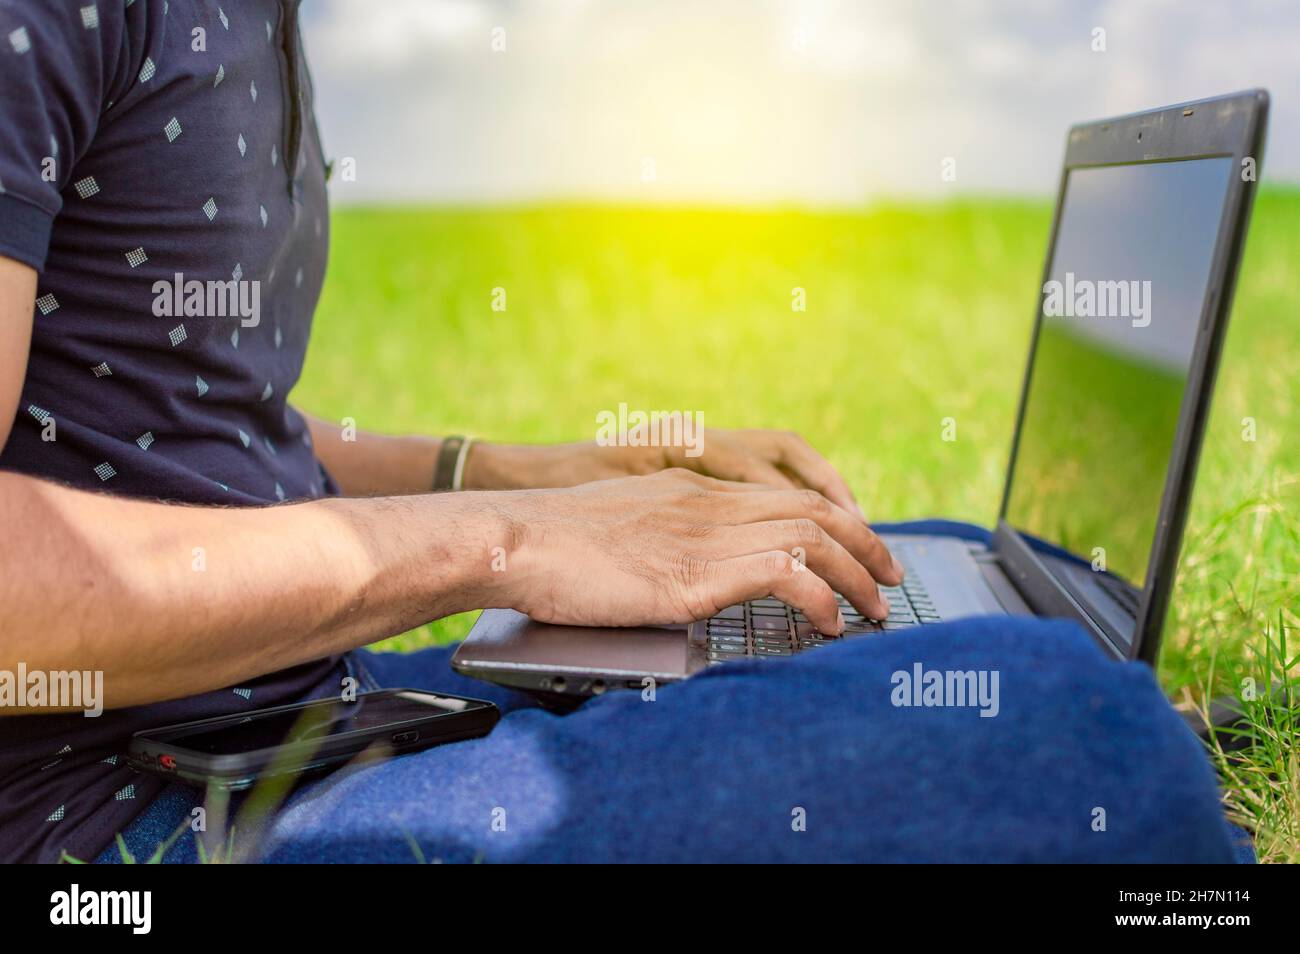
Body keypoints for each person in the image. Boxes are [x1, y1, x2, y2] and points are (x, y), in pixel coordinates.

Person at [0, 1, 1242, 864]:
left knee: (896, 557)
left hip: (287, 713)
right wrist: (507, 539)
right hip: (118, 829)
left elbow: (185, 427)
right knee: (1083, 727)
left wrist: (529, 474)